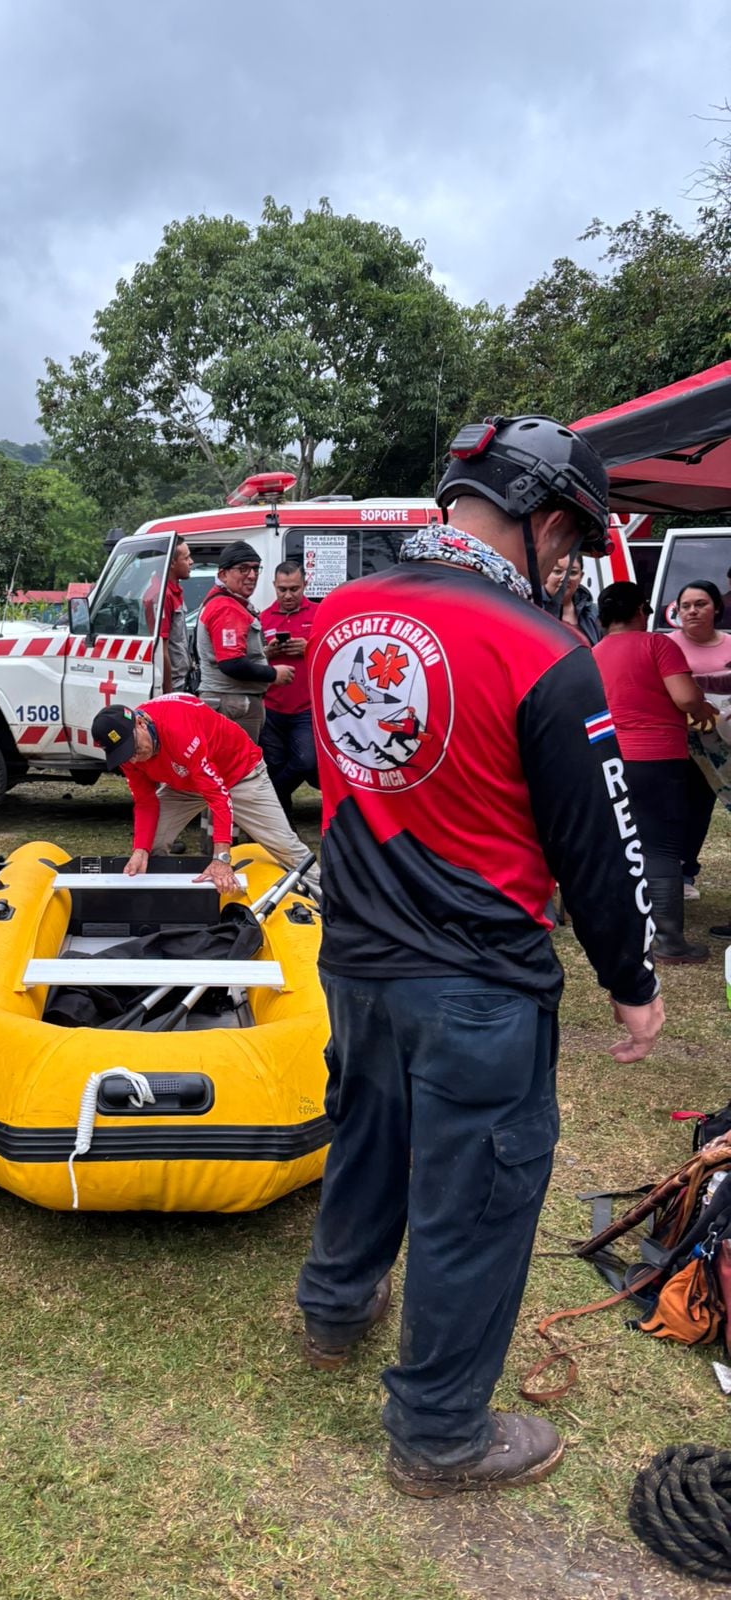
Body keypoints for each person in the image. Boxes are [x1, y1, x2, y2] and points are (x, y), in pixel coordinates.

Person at [295, 414, 663, 1498]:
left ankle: (334, 1306)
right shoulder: (546, 651)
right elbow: (600, 837)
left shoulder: (340, 614)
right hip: (476, 975)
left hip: (357, 952)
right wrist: (634, 980)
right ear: (546, 523)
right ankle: (442, 1433)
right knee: (477, 1198)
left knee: (366, 1134)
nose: (573, 566)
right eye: (575, 545)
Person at [593, 582, 717, 964]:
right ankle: (669, 940)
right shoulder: (657, 645)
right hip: (658, 758)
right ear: (640, 611)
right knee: (661, 848)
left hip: (611, 759)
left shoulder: (592, 652)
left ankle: (625, 927)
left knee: (623, 841)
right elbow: (683, 696)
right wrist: (702, 709)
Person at [90, 695, 318, 893]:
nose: (133, 759)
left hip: (240, 774)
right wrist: (140, 849)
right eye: (124, 754)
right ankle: (163, 902)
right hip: (186, 782)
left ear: (140, 723)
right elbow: (145, 802)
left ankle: (329, 905)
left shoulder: (180, 730)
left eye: (135, 749)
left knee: (286, 847)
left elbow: (218, 796)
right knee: (152, 843)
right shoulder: (128, 755)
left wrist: (221, 858)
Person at [668, 580, 731, 899]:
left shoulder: (730, 645)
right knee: (672, 807)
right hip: (675, 742)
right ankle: (669, 873)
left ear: (716, 608)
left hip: (720, 744)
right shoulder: (666, 645)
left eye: (701, 604)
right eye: (686, 605)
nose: (692, 611)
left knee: (700, 807)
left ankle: (686, 872)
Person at [195, 541, 295, 744]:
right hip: (233, 703)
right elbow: (231, 663)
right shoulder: (226, 608)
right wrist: (274, 674)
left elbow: (229, 654)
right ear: (223, 574)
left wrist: (265, 653)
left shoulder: (227, 602)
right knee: (240, 770)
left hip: (230, 701)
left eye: (255, 568)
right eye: (243, 569)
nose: (252, 575)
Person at [259, 561, 320, 818]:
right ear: (274, 586)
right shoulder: (262, 618)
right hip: (271, 708)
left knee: (307, 761)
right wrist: (267, 653)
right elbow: (249, 662)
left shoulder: (318, 613)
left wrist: (309, 648)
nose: (287, 595)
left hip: (305, 709)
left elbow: (335, 654)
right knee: (274, 765)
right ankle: (285, 828)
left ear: (305, 585)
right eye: (282, 589)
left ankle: (267, 800)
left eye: (294, 589)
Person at [159, 538, 194, 695]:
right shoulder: (164, 595)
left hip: (181, 679)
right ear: (172, 563)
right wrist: (168, 692)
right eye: (186, 558)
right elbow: (162, 650)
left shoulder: (175, 591)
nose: (191, 562)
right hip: (173, 683)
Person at [548, 553, 600, 644]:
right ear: (545, 572)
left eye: (572, 573)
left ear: (581, 576)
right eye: (557, 571)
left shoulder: (592, 612)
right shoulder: (531, 608)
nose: (565, 579)